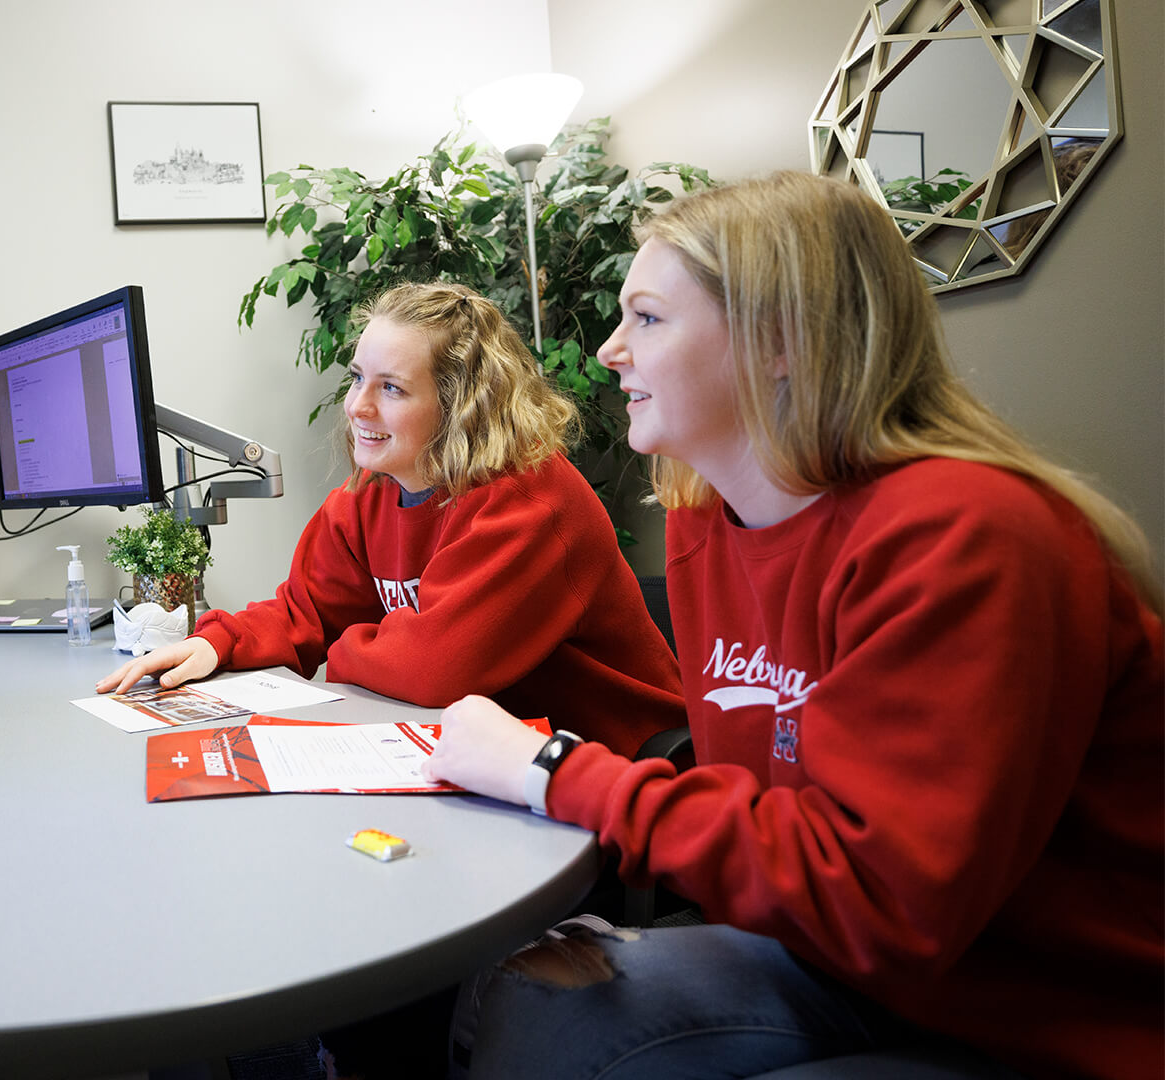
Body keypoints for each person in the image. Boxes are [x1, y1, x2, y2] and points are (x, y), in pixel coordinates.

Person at [424, 172, 1163, 1080]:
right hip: (843, 965)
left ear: (781, 340)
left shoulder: (969, 535)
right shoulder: (703, 518)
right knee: (526, 997)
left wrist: (556, 772)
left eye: (648, 318)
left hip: (1046, 1018)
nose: (611, 349)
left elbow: (884, 906)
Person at [98, 281, 683, 757]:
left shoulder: (530, 502)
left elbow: (433, 669)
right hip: (492, 755)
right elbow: (306, 612)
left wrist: (343, 646)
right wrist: (218, 644)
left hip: (616, 774)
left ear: (460, 407)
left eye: (393, 388)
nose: (358, 406)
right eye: (357, 378)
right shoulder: (365, 499)